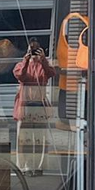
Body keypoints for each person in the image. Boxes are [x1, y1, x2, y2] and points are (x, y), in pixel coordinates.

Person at [12, 39, 56, 175]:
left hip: (39, 104)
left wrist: (43, 60)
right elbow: (20, 75)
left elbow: (51, 73)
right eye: (32, 50)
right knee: (23, 139)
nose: (34, 53)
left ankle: (39, 166)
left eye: (36, 50)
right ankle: (24, 166)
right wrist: (26, 59)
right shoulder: (21, 64)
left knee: (40, 138)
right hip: (24, 105)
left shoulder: (43, 65)